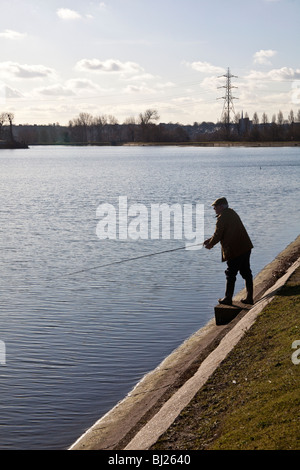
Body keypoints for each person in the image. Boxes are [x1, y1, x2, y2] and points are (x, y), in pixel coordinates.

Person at [203, 197, 254, 306]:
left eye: (215, 207)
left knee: (230, 274)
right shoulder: (231, 213)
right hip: (245, 247)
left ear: (221, 206)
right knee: (246, 272)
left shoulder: (222, 217)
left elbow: (218, 234)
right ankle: (249, 297)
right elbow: (221, 232)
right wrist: (210, 240)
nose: (214, 209)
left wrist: (210, 244)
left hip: (234, 250)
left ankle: (228, 298)